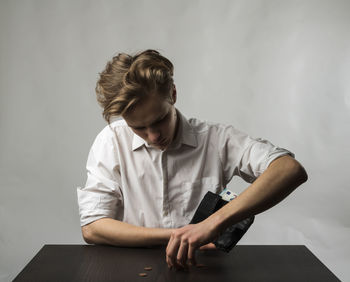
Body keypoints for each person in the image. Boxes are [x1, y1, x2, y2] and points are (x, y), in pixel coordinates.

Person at [77, 49, 308, 270]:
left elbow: (289, 169)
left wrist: (214, 223)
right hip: (132, 270)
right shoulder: (111, 141)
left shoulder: (217, 140)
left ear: (173, 95)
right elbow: (93, 228)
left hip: (202, 269)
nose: (153, 136)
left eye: (159, 119)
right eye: (138, 128)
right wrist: (185, 235)